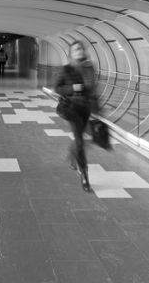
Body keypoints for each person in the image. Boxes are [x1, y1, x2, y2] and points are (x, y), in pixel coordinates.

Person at [54, 40, 99, 193]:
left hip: (85, 108)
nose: (78, 51)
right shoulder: (66, 69)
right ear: (71, 53)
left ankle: (72, 156)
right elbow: (57, 88)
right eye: (75, 49)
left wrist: (97, 109)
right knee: (80, 141)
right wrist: (72, 88)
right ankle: (84, 176)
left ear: (83, 51)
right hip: (72, 108)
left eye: (80, 48)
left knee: (82, 138)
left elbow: (93, 90)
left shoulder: (89, 68)